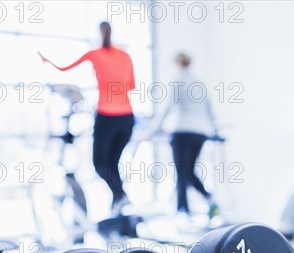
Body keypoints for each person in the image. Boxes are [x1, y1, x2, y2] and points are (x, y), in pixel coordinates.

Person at [40, 22, 134, 214]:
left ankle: (121, 195)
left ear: (99, 33)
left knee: (100, 165)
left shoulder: (95, 54)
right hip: (127, 118)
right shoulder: (125, 56)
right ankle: (118, 200)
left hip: (107, 116)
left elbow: (63, 67)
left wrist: (47, 61)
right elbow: (131, 85)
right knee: (112, 165)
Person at [154, 53, 218, 219]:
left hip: (182, 131)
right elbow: (210, 110)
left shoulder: (177, 80)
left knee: (181, 172)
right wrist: (214, 130)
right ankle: (209, 199)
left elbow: (168, 107)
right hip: (200, 133)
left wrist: (155, 128)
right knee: (188, 172)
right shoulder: (199, 82)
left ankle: (183, 211)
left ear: (177, 63)